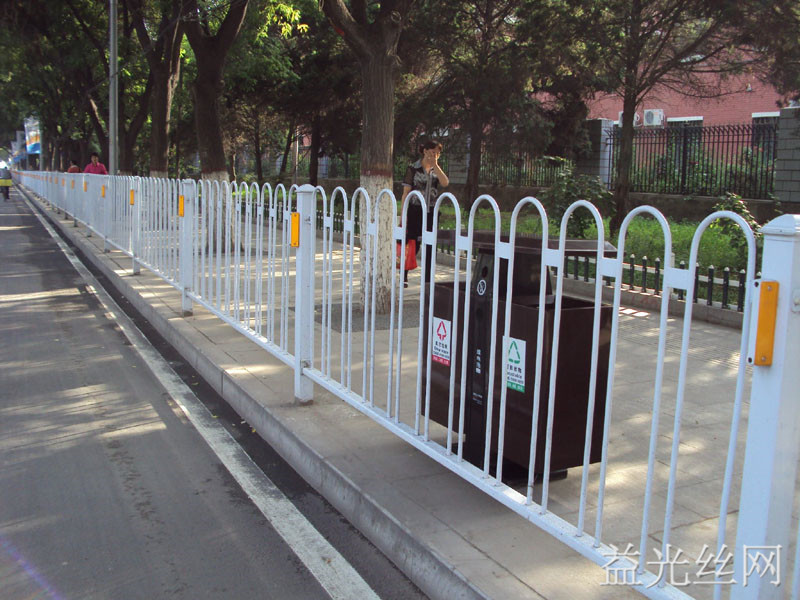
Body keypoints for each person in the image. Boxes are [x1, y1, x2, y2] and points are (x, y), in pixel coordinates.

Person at [400, 139, 449, 286]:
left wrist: (436, 165)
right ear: (425, 151)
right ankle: (404, 274)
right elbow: (406, 192)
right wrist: (403, 214)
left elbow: (445, 182)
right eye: (433, 152)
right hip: (415, 210)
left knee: (430, 245)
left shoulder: (436, 170)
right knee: (413, 243)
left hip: (431, 211)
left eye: (438, 154)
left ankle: (427, 280)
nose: (435, 156)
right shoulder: (413, 168)